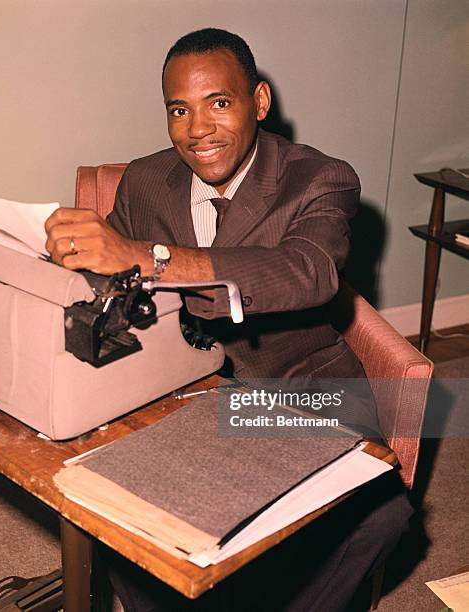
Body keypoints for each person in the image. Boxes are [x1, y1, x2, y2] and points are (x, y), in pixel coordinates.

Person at [45, 28, 412, 612]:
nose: (198, 130)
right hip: (174, 393)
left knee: (381, 515)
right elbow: (107, 282)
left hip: (299, 390)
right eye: (179, 110)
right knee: (121, 515)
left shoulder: (322, 178)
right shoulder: (144, 181)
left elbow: (307, 270)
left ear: (259, 102)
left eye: (219, 102)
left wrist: (148, 257)